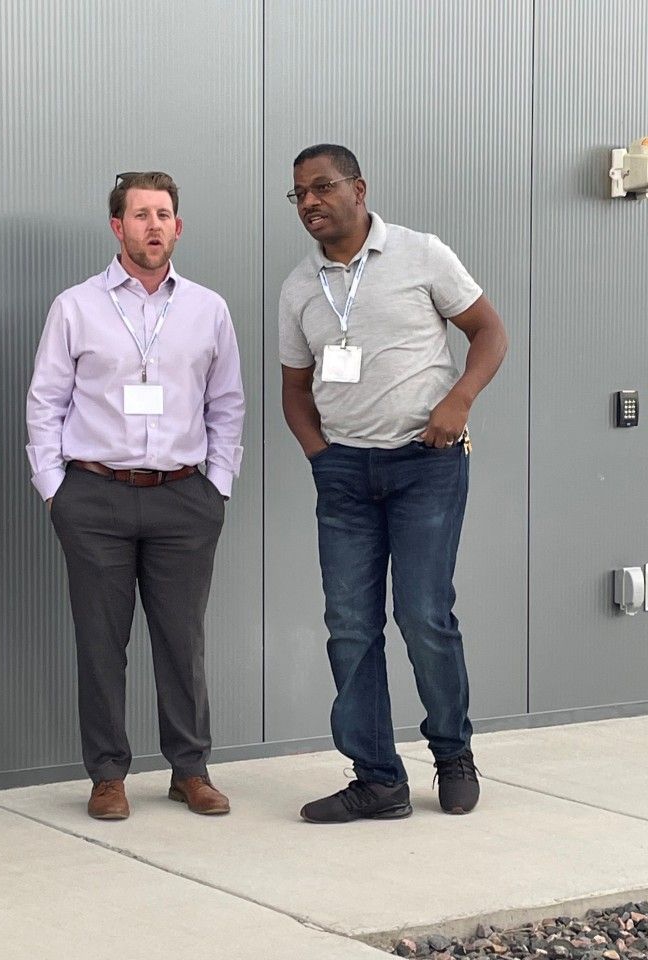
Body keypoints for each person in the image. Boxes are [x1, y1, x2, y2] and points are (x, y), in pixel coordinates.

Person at [279, 145, 507, 823]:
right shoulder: (299, 286)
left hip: (424, 465)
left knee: (424, 615)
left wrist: (459, 400)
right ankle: (378, 779)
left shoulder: (420, 254)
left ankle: (453, 754)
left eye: (322, 187)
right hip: (345, 476)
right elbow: (295, 390)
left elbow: (489, 332)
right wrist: (322, 457)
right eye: (299, 194)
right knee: (350, 626)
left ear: (359, 188)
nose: (310, 202)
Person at [26, 171, 244, 820]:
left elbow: (227, 403)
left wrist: (217, 486)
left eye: (164, 214)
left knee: (183, 641)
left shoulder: (208, 308)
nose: (154, 225)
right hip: (95, 497)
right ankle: (107, 775)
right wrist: (54, 489)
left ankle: (190, 770)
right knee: (100, 643)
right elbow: (45, 401)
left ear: (178, 226)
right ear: (117, 226)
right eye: (141, 214)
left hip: (183, 498)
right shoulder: (75, 306)